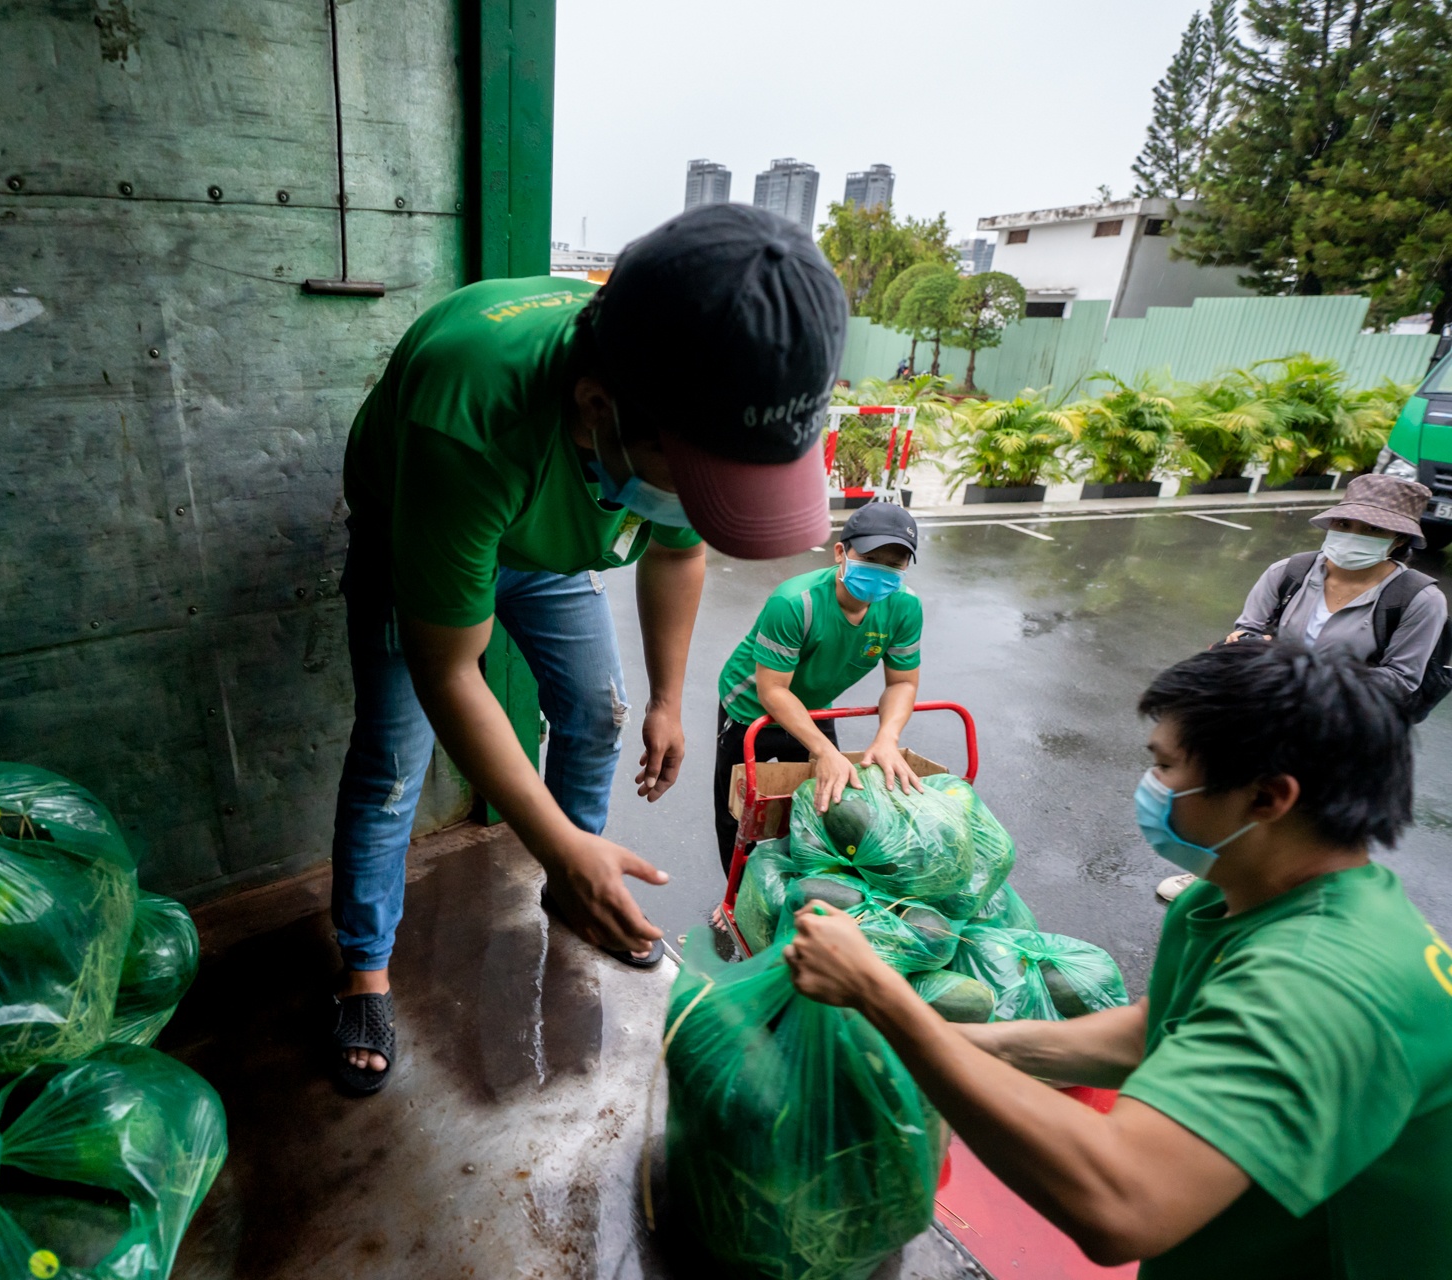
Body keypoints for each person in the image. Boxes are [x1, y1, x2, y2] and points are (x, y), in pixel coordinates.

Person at [329, 204, 849, 1094]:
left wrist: (665, 698)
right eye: (693, 485)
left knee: (597, 712)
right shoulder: (474, 414)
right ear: (597, 410)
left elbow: (682, 544)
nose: (699, 509)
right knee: (392, 763)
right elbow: (450, 668)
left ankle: (579, 890)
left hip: (551, 538)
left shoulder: (676, 383)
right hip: (430, 529)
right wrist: (555, 837)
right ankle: (364, 969)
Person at [782, 642, 1452, 1276]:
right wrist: (963, 1045)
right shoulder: (1237, 901)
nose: (1151, 784)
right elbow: (1152, 1030)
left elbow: (1124, 1204)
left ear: (1268, 797)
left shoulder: (1323, 979)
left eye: (1166, 766)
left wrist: (886, 1000)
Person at [1154, 473, 1448, 902]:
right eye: (1345, 525)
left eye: (1372, 530)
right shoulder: (1289, 573)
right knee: (1243, 798)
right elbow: (1246, 631)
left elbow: (1401, 681)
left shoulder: (1418, 600)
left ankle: (1296, 897)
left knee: (1312, 817)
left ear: (1398, 540)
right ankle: (1215, 876)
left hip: (1344, 730)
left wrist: (1301, 669)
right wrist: (1244, 649)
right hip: (1267, 714)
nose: (1353, 536)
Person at [711, 502, 924, 875]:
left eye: (894, 564)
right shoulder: (796, 602)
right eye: (872, 557)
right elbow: (773, 690)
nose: (882, 571)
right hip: (750, 711)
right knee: (741, 810)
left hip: (813, 708)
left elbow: (903, 682)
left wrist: (888, 737)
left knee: (828, 801)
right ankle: (739, 892)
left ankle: (805, 881)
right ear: (841, 552)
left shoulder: (904, 607)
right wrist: (824, 750)